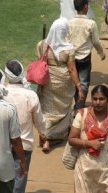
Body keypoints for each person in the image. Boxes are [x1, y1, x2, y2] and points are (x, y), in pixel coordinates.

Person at [37, 17, 84, 153]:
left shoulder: (42, 45)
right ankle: (63, 133)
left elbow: (41, 60)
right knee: (63, 109)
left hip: (48, 83)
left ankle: (46, 139)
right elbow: (72, 70)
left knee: (48, 110)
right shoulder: (69, 49)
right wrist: (79, 87)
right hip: (64, 84)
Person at [4, 59, 46, 193]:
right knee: (20, 173)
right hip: (25, 142)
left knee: (4, 173)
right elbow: (39, 120)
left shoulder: (2, 92)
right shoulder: (30, 95)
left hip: (3, 142)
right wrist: (44, 134)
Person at [68, 0, 106, 110]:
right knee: (83, 83)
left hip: (71, 58)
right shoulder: (91, 23)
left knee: (74, 82)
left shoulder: (69, 22)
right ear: (85, 7)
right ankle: (79, 108)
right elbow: (96, 41)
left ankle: (76, 105)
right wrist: (101, 53)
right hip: (84, 58)